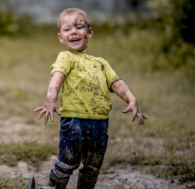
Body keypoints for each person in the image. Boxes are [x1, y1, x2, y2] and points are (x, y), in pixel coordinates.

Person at [34, 7, 147, 189]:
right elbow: (57, 77)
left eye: (79, 27)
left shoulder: (101, 63)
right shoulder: (66, 57)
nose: (74, 32)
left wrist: (131, 99)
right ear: (60, 37)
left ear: (89, 32)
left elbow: (116, 83)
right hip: (74, 122)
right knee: (67, 163)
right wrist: (51, 100)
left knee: (92, 167)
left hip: (100, 124)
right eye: (67, 29)